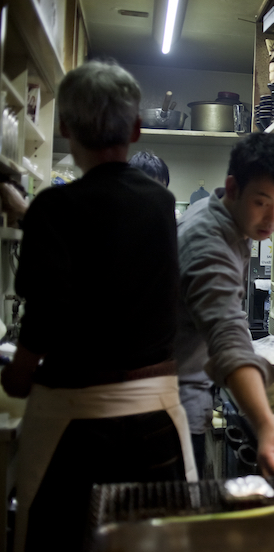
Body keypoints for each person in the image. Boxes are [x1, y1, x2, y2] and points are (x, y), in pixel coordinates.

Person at [0, 60, 195, 552]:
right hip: (156, 415)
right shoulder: (160, 204)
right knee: (156, 543)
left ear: (64, 127)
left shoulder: (54, 209)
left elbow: (42, 317)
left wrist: (18, 375)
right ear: (135, 128)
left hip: (73, 421)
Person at [175, 132, 274, 478]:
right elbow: (227, 334)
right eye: (261, 202)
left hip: (186, 390)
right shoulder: (208, 242)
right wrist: (265, 424)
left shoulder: (220, 213)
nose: (272, 219)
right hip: (174, 408)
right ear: (233, 188)